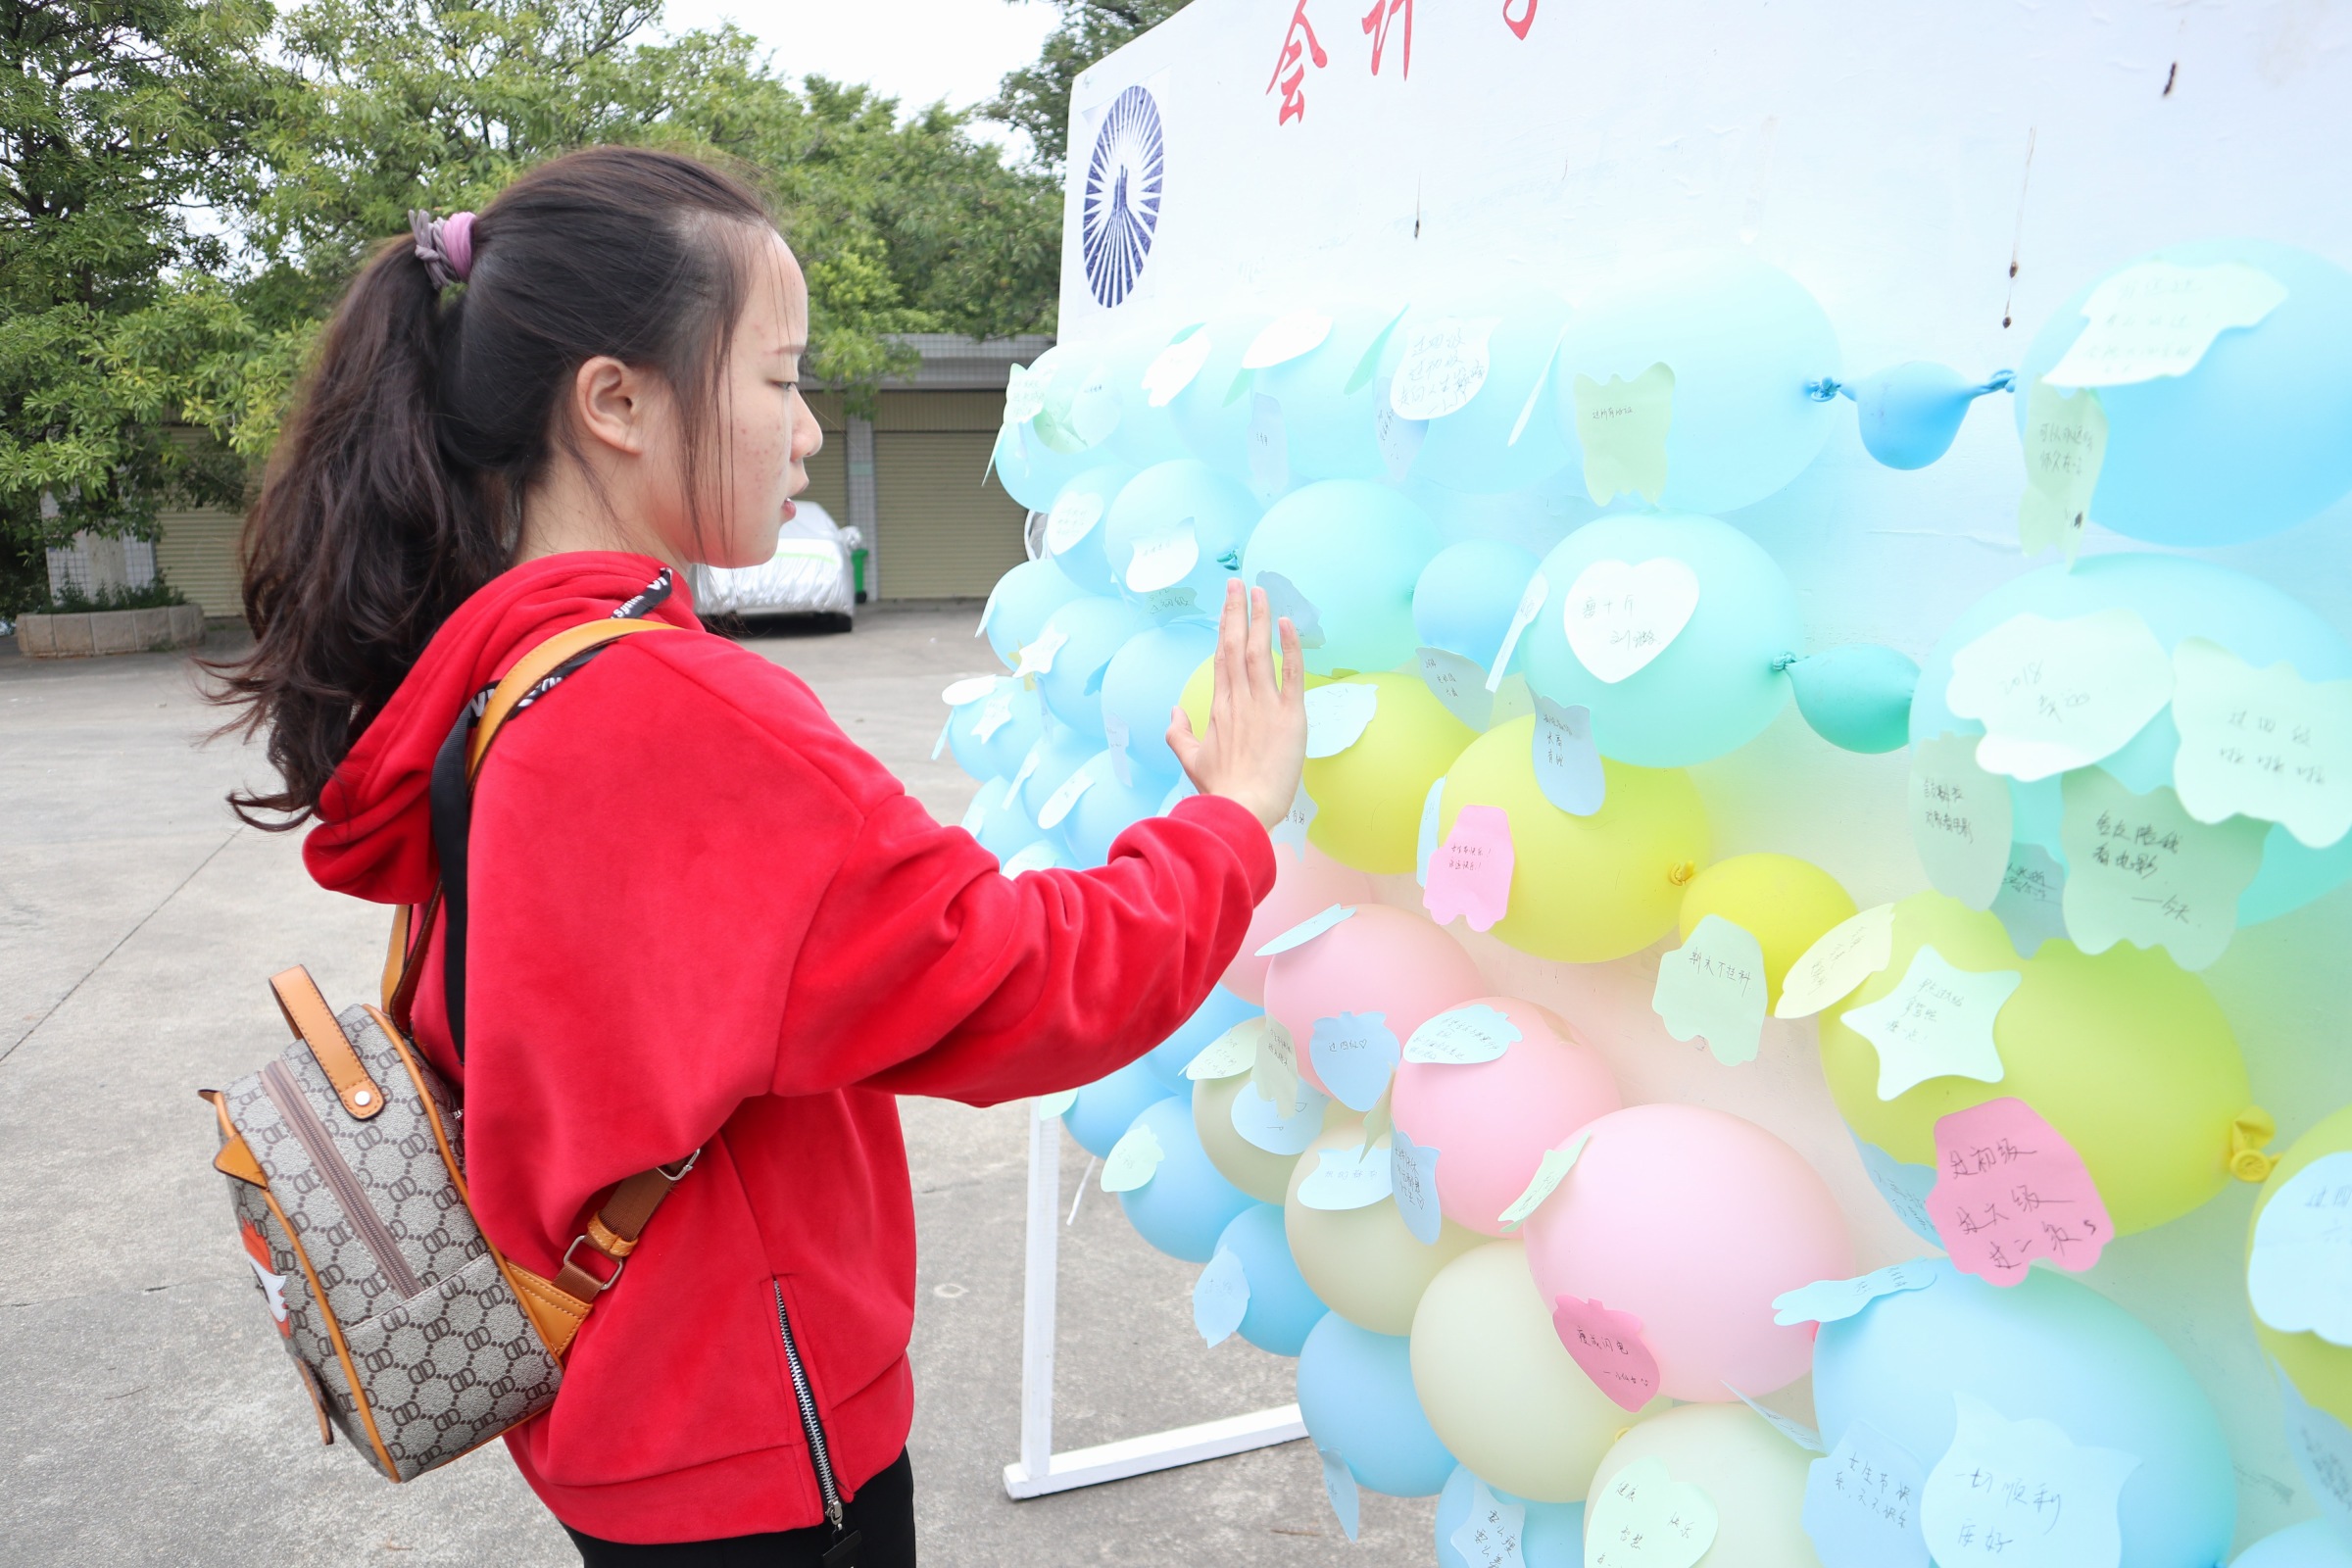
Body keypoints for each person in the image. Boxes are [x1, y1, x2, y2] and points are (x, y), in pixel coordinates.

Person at [214, 146, 1306, 1566]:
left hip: (620, 1412)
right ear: (615, 402)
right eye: (779, 379)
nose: (806, 431)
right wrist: (1231, 820)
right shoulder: (671, 711)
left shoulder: (500, 676)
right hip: (752, 1449)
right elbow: (1021, 984)